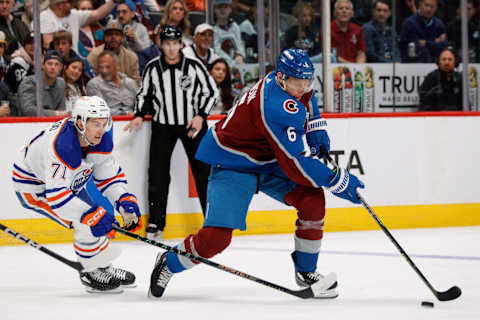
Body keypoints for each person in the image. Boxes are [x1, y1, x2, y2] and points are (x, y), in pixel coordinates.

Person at [147, 48, 365, 299]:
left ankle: (306, 271)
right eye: (299, 83)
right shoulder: (273, 105)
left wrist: (316, 130)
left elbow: (308, 99)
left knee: (312, 200)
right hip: (233, 161)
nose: (304, 87)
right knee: (216, 239)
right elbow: (295, 163)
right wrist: (337, 179)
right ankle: (169, 262)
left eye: (308, 81)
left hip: (268, 159)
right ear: (281, 78)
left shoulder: (292, 82)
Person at [12, 95, 141, 293]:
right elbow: (57, 197)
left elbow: (107, 176)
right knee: (86, 220)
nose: (102, 129)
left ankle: (103, 266)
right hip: (34, 187)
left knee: (94, 216)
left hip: (67, 183)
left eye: (104, 123)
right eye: (96, 124)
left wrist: (123, 200)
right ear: (80, 122)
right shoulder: (61, 146)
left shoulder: (100, 136)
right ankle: (90, 272)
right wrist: (90, 215)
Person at [124, 26, 218, 241]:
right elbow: (143, 94)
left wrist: (201, 115)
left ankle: (212, 221)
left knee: (203, 173)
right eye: (167, 43)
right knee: (157, 174)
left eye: (174, 43)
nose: (171, 47)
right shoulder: (152, 68)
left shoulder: (194, 66)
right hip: (163, 125)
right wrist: (139, 114)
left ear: (180, 45)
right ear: (161, 45)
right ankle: (156, 221)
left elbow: (211, 92)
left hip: (192, 124)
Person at [39, 0, 121, 53]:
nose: (72, 5)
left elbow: (98, 14)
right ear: (60, 4)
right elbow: (48, 45)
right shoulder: (45, 17)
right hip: (56, 61)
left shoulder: (73, 14)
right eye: (69, 2)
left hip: (73, 60)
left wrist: (113, 1)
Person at [87, 19, 141, 87]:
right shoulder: (94, 55)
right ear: (105, 37)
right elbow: (90, 82)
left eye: (117, 34)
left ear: (122, 38)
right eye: (110, 34)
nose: (113, 37)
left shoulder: (131, 57)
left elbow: (136, 84)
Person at [17, 50, 69, 117]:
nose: (53, 67)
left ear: (61, 67)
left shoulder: (61, 83)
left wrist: (58, 114)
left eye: (56, 64)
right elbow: (28, 110)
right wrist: (55, 114)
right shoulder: (29, 82)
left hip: (53, 124)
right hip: (29, 124)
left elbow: (62, 110)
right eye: (49, 64)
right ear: (43, 65)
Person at [86, 50, 137, 115]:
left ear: (117, 66)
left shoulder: (130, 82)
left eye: (108, 67)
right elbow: (99, 109)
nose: (104, 71)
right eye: (101, 67)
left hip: (134, 119)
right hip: (110, 120)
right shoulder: (94, 84)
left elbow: (139, 103)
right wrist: (124, 113)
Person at [213, 0, 245, 66]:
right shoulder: (213, 30)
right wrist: (231, 62)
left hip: (237, 64)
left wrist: (240, 55)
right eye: (219, 7)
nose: (222, 10)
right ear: (215, 10)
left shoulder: (235, 27)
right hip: (222, 65)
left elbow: (239, 44)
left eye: (225, 7)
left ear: (230, 9)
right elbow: (217, 50)